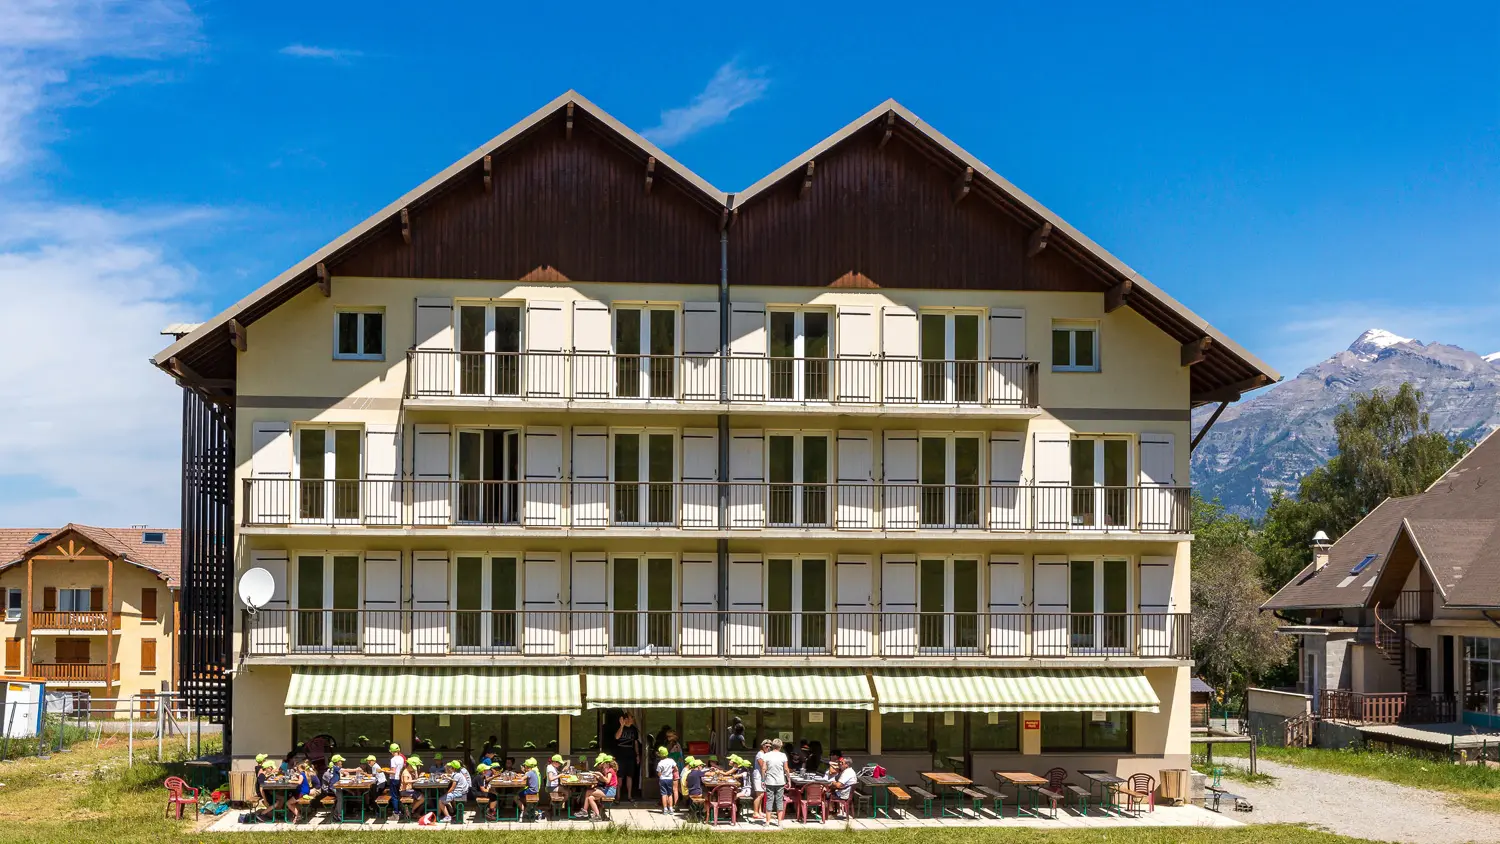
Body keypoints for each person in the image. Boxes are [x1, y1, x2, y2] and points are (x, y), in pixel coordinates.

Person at [759, 738, 789, 827]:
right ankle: (780, 822)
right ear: (781, 746)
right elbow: (786, 769)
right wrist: (789, 779)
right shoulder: (783, 755)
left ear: (772, 746)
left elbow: (764, 768)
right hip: (780, 781)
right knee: (779, 801)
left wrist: (763, 780)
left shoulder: (767, 755)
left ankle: (767, 822)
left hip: (769, 781)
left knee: (769, 800)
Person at [613, 713, 640, 800]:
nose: (633, 719)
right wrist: (621, 726)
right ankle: (618, 796)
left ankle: (629, 796)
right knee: (620, 776)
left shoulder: (634, 729)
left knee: (630, 775)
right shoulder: (620, 727)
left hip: (631, 755)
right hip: (621, 755)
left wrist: (637, 755)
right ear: (626, 719)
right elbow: (617, 737)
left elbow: (635, 742)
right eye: (631, 717)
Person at [438, 759, 471, 824]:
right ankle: (442, 814)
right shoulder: (459, 773)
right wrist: (448, 778)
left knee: (440, 800)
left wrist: (446, 794)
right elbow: (455, 779)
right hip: (462, 792)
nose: (449, 768)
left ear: (453, 768)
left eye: (450, 767)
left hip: (458, 793)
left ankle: (447, 816)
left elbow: (452, 787)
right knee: (443, 798)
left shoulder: (457, 775)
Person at [654, 747, 679, 815]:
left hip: (662, 779)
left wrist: (661, 776)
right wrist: (671, 771)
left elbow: (659, 773)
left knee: (663, 794)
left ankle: (665, 809)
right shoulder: (671, 760)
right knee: (670, 794)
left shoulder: (660, 763)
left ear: (660, 755)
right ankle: (671, 808)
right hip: (670, 779)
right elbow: (676, 768)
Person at [399, 756, 425, 820]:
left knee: (421, 795)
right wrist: (415, 780)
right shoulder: (405, 772)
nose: (414, 769)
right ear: (410, 766)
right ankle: (412, 811)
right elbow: (405, 781)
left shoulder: (409, 771)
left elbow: (416, 778)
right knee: (422, 798)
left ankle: (414, 812)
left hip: (408, 790)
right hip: (405, 791)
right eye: (414, 767)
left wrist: (416, 771)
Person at [751, 739, 770, 820]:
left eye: (770, 747)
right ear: (763, 746)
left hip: (763, 776)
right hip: (758, 776)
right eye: (767, 746)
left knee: (761, 794)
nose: (768, 748)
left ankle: (760, 811)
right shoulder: (760, 754)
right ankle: (755, 813)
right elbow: (762, 766)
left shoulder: (765, 754)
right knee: (760, 795)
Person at [387, 743, 406, 811]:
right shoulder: (401, 758)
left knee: (394, 796)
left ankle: (396, 812)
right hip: (399, 778)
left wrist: (383, 770)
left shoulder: (393, 759)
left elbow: (393, 771)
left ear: (392, 751)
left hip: (393, 778)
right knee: (398, 795)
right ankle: (400, 810)